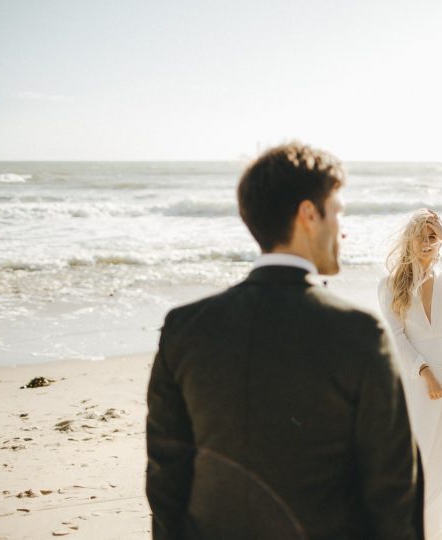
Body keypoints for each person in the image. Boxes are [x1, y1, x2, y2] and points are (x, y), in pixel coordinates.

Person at [146, 142, 424, 540]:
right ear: (309, 215)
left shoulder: (184, 328)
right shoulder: (358, 333)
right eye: (337, 212)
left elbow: (165, 479)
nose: (342, 229)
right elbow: (394, 488)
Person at [377, 209, 442, 540]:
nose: (426, 242)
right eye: (421, 235)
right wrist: (425, 372)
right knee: (418, 452)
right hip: (417, 376)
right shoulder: (390, 285)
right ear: (409, 240)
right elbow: (397, 337)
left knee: (441, 453)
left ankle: (431, 531)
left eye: (431, 237)